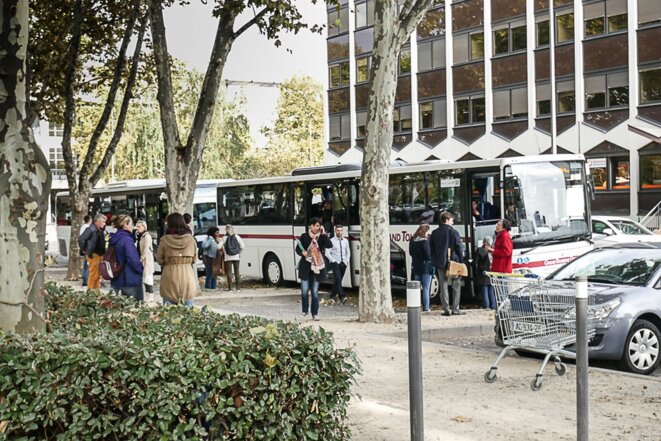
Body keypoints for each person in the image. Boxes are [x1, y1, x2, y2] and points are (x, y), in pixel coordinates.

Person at [156, 213, 199, 306]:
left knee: (169, 313)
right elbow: (195, 259)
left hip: (169, 275)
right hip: (187, 275)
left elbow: (159, 259)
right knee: (188, 312)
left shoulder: (164, 240)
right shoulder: (191, 240)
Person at [296, 217, 332, 321]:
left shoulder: (322, 237)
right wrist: (302, 253)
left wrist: (324, 234)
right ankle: (304, 310)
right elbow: (298, 249)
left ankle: (315, 313)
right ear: (311, 226)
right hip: (305, 266)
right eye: (316, 225)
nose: (317, 228)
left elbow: (330, 245)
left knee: (315, 292)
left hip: (317, 267)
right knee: (304, 291)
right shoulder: (304, 236)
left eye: (319, 226)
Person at [429, 211, 465, 316]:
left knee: (443, 286)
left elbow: (432, 249)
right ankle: (455, 308)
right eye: (451, 220)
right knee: (456, 285)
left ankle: (446, 309)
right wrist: (461, 261)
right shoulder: (454, 232)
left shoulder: (435, 233)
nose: (453, 222)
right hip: (454, 262)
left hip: (440, 262)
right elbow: (458, 247)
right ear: (447, 220)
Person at [108, 214, 144, 301]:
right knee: (134, 309)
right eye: (131, 224)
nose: (133, 226)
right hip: (129, 279)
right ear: (125, 225)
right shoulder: (126, 240)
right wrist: (141, 269)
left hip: (116, 278)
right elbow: (133, 259)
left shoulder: (114, 239)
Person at [78, 214, 107, 290]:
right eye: (103, 222)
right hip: (94, 254)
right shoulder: (91, 229)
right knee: (93, 275)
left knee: (97, 275)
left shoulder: (98, 230)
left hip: (99, 254)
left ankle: (96, 291)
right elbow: (81, 239)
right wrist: (85, 250)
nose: (105, 223)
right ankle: (91, 292)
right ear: (98, 222)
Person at [409, 224, 433, 312]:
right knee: (426, 288)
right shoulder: (424, 242)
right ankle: (426, 307)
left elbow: (411, 253)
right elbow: (428, 255)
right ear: (425, 232)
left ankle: (416, 306)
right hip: (425, 267)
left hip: (416, 266)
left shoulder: (413, 240)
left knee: (417, 288)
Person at [325, 224, 351, 304]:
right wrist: (333, 260)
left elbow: (348, 252)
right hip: (335, 263)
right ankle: (342, 296)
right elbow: (327, 253)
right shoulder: (331, 241)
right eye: (337, 230)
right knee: (338, 279)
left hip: (343, 263)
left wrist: (346, 261)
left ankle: (332, 296)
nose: (339, 232)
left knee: (338, 281)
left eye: (341, 230)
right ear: (335, 231)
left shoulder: (345, 241)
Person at [135, 220, 155, 299]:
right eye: (137, 227)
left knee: (148, 278)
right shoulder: (141, 236)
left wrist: (141, 258)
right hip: (144, 259)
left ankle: (150, 295)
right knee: (146, 278)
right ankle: (148, 294)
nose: (138, 228)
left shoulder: (147, 236)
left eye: (139, 227)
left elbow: (146, 249)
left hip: (147, 259)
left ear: (144, 227)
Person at [222, 224, 245, 291]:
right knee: (237, 272)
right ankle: (238, 288)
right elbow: (243, 246)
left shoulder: (224, 238)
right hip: (236, 257)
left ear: (226, 230)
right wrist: (239, 253)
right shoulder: (237, 237)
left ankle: (230, 288)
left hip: (228, 257)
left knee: (229, 273)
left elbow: (218, 247)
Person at [477, 236, 496, 310]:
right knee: (491, 289)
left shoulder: (480, 250)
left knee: (484, 289)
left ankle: (486, 305)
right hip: (492, 271)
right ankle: (493, 305)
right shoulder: (492, 251)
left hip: (484, 272)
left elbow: (477, 261)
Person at [78, 214, 92, 286]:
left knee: (86, 265)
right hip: (87, 248)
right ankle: (86, 281)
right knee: (87, 265)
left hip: (85, 248)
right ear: (90, 220)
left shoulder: (83, 227)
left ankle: (86, 279)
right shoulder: (88, 228)